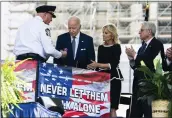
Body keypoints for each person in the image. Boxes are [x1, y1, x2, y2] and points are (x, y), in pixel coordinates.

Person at [125, 22, 164, 118]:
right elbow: (138, 66)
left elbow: (149, 61)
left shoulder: (157, 44)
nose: (139, 32)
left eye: (141, 30)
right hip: (137, 88)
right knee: (133, 114)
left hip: (149, 88)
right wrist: (131, 58)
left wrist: (135, 55)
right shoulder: (142, 46)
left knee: (148, 114)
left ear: (149, 31)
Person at [87, 24, 123, 117]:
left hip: (114, 79)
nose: (103, 35)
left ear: (112, 35)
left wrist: (97, 65)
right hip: (102, 79)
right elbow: (99, 64)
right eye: (103, 32)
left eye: (106, 33)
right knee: (102, 107)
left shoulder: (117, 47)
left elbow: (113, 65)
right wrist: (93, 67)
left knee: (112, 108)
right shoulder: (101, 47)